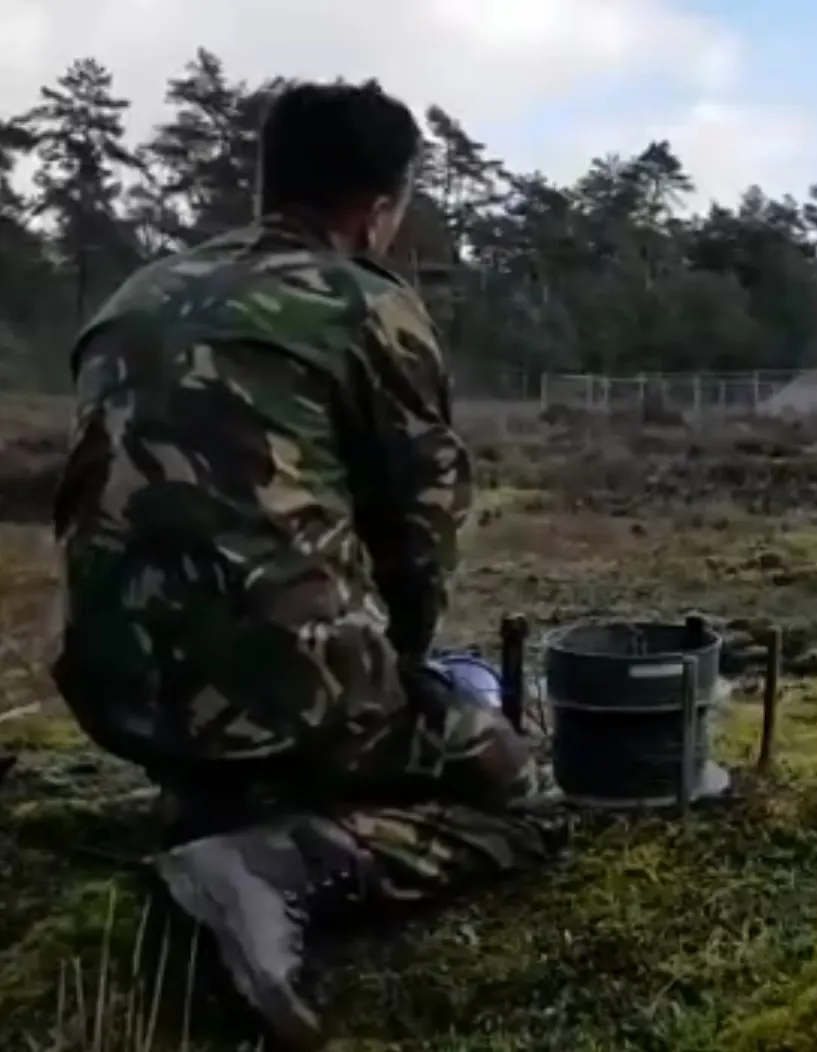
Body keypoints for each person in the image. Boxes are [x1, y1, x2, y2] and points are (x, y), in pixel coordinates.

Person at [49, 79, 562, 1050]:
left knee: (291, 688)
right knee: (524, 796)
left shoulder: (137, 295)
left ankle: (228, 792)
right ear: (378, 210)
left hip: (110, 688)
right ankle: (278, 864)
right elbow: (419, 534)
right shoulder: (370, 307)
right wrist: (400, 683)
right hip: (288, 691)